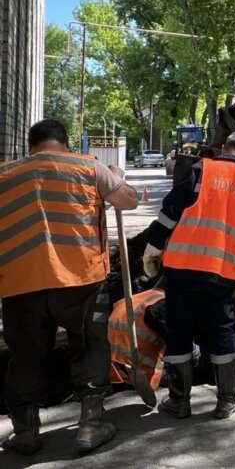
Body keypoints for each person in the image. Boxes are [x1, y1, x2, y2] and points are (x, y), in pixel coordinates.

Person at [0, 119, 138, 455]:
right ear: (65, 142)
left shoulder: (5, 174)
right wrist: (116, 178)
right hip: (81, 280)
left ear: (31, 145)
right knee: (90, 345)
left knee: (25, 356)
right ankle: (90, 427)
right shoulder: (89, 167)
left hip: (19, 282)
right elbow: (129, 202)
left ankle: (26, 433)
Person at [141, 131, 235, 420]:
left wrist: (153, 248)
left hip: (182, 268)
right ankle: (225, 402)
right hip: (222, 274)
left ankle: (179, 401)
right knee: (221, 330)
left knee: (179, 330)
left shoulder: (201, 169)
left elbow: (170, 212)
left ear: (224, 149)